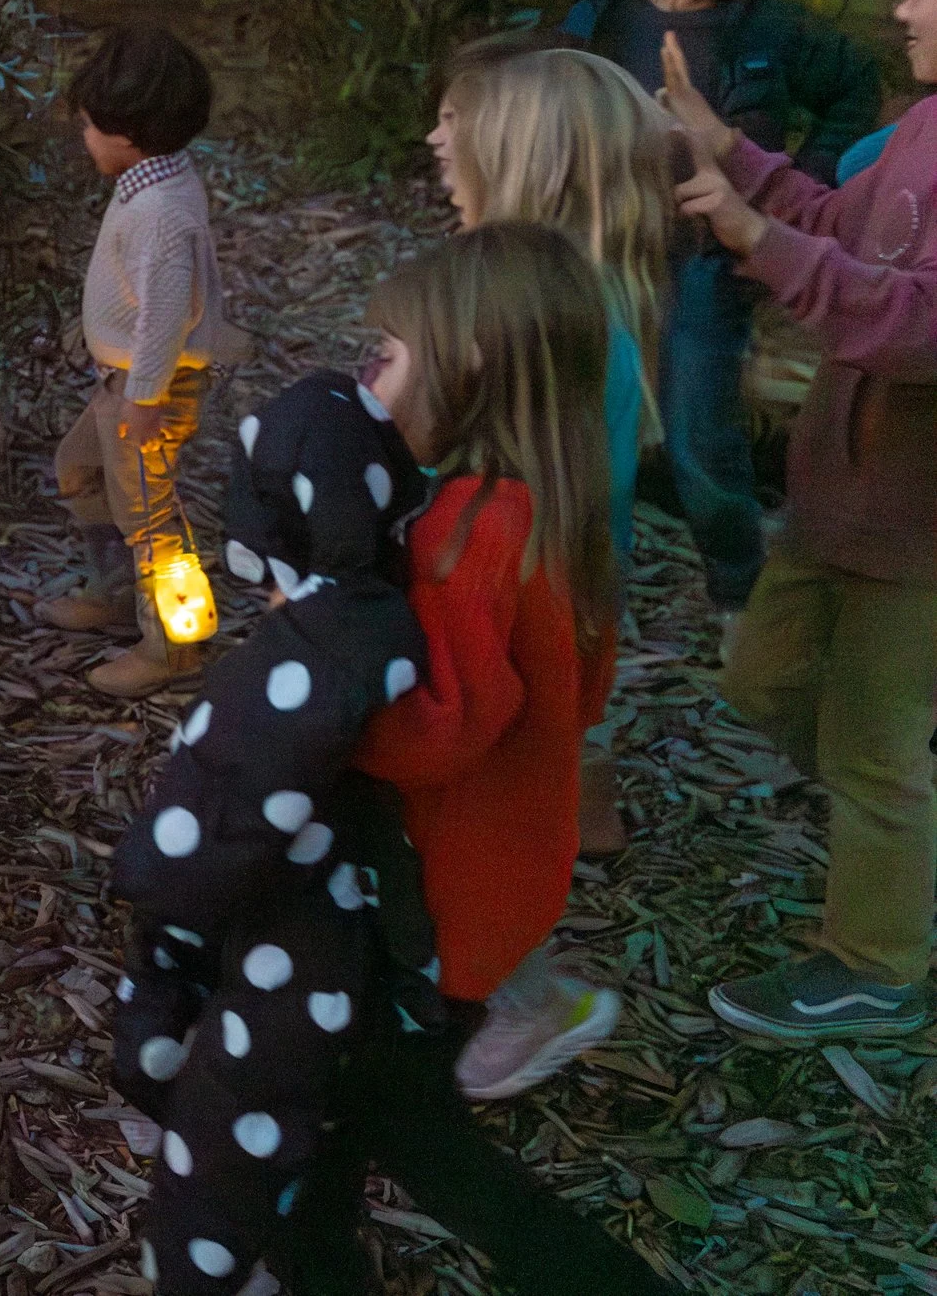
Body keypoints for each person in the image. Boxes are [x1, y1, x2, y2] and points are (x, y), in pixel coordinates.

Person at [281, 225, 667, 1295]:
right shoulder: (551, 512)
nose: (370, 376)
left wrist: (308, 637)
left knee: (409, 1137)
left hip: (433, 903)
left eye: (389, 351)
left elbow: (427, 738)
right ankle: (311, 1256)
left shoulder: (466, 536)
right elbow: (578, 699)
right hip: (501, 880)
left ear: (470, 372)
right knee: (355, 1109)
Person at [669, 0, 937, 1041]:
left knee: (876, 753)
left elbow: (918, 325)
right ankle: (900, 835)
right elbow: (834, 219)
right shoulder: (924, 125)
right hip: (841, 498)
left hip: (914, 527)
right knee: (765, 681)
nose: (900, 4)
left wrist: (751, 238)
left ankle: (876, 963)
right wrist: (731, 154)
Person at [108, 371, 432, 1295]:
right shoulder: (376, 616)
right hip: (339, 915)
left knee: (223, 1141)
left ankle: (211, 1274)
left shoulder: (313, 653)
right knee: (287, 1136)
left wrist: (148, 882)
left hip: (288, 940)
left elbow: (215, 814)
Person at [562, 0, 882, 614]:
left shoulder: (770, 28)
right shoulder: (603, 11)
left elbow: (853, 86)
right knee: (589, 428)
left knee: (702, 440)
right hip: (604, 254)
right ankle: (586, 595)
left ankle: (741, 598)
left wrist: (793, 191)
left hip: (706, 264)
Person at [426, 41, 669, 871]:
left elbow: (470, 474)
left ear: (521, 161)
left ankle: (516, 961)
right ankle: (577, 812)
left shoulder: (532, 322)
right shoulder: (596, 292)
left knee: (497, 778)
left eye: (468, 129)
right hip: (573, 585)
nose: (443, 142)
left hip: (517, 590)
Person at [42, 22, 246, 697]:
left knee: (149, 511)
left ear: (125, 134)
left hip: (146, 386)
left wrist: (147, 394)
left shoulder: (161, 209)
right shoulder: (153, 183)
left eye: (89, 127)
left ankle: (173, 646)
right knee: (80, 468)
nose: (84, 136)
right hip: (124, 380)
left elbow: (167, 314)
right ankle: (113, 596)